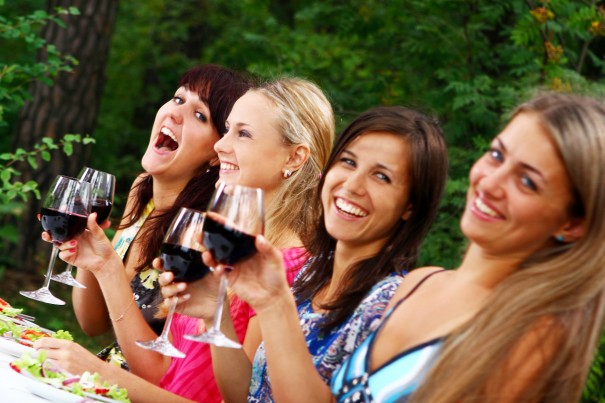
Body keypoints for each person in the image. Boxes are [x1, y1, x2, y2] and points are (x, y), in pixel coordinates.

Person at [37, 76, 335, 402]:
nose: (221, 146)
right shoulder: (222, 242)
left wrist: (100, 372)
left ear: (294, 158)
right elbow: (162, 372)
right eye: (228, 129)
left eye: (243, 133)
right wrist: (106, 264)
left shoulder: (290, 268)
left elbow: (237, 398)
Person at [162, 105, 449, 402]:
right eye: (348, 162)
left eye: (381, 177)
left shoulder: (390, 304)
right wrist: (215, 315)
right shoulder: (310, 273)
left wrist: (275, 303)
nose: (352, 185)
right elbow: (246, 395)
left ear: (410, 206)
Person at [330, 93, 605, 402]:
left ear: (572, 224)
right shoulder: (420, 282)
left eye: (527, 182)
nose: (489, 184)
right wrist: (276, 300)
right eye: (497, 156)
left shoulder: (531, 336)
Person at [42, 64, 252, 383]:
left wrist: (107, 265)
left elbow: (162, 371)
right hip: (101, 380)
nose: (176, 114)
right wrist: (92, 256)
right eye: (178, 99)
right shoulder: (144, 193)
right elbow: (93, 322)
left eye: (200, 115)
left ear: (216, 153)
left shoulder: (203, 235)